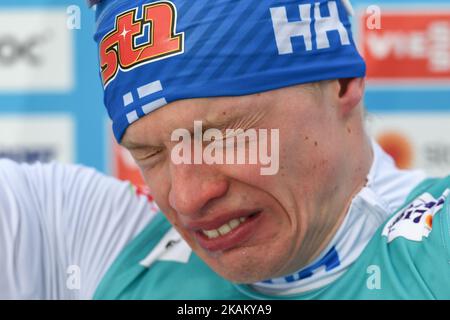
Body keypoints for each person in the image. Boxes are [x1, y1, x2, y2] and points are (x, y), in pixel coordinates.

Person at [1, 0, 450, 299]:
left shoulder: (434, 247)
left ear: (341, 83)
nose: (187, 197)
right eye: (150, 154)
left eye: (223, 136)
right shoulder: (92, 239)